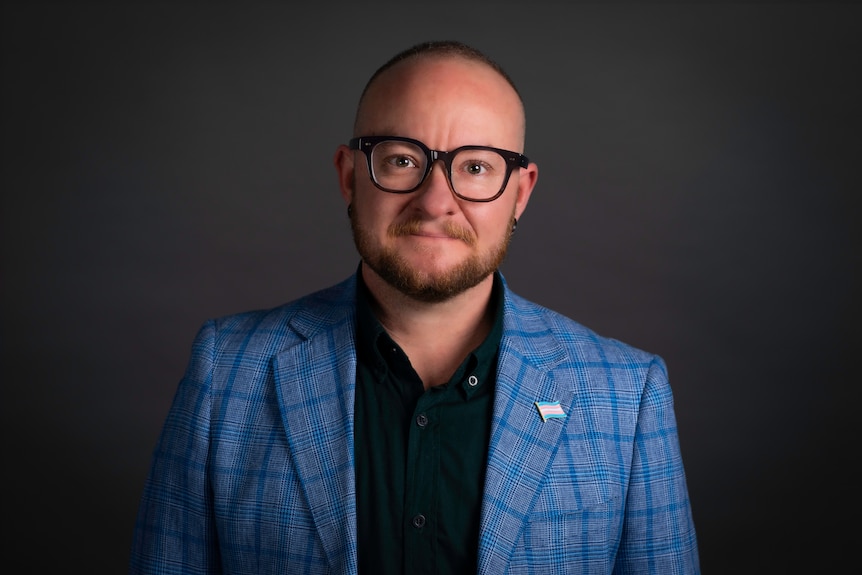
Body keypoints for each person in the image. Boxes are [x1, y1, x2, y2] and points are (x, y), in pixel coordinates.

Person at [129, 40, 700, 575]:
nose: (434, 201)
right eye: (402, 160)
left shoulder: (627, 397)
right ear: (350, 177)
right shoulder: (226, 371)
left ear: (520, 193)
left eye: (476, 167)